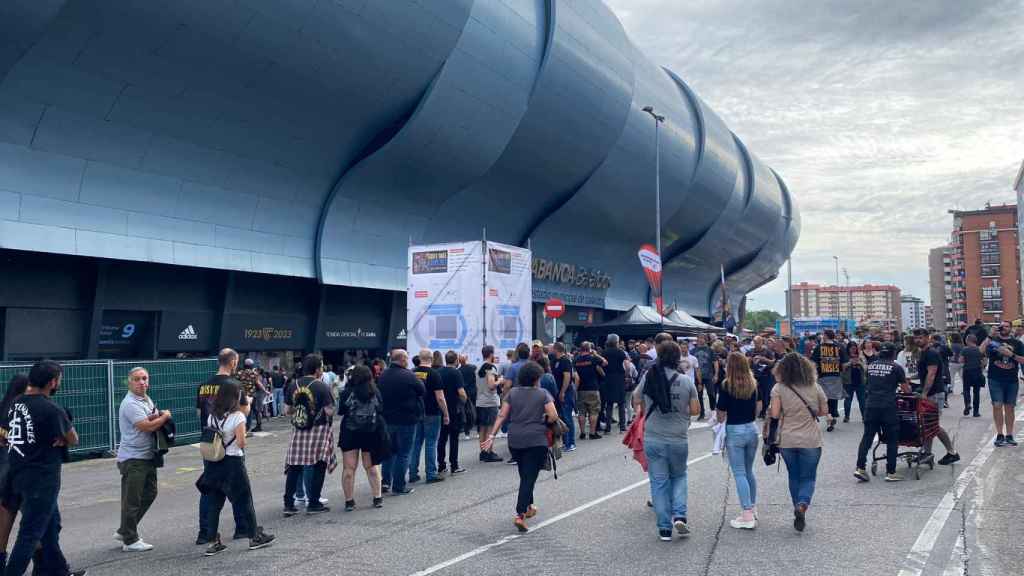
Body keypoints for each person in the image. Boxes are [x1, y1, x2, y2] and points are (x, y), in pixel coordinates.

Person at [3, 361, 87, 576]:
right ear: (52, 382)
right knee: (29, 535)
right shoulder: (51, 408)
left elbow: (6, 434)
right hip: (41, 480)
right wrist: (61, 437)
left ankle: (55, 570)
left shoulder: (16, 403)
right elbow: (73, 438)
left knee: (50, 526)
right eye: (59, 380)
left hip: (17, 473)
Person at [196, 380, 275, 556]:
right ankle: (254, 537)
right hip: (233, 463)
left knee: (215, 503)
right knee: (243, 500)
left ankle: (213, 541)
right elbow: (241, 443)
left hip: (214, 464)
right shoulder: (238, 417)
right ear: (234, 397)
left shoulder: (212, 416)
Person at [632, 341, 700, 541]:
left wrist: (647, 406)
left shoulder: (649, 376)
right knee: (679, 476)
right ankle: (679, 515)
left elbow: (636, 399)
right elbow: (696, 410)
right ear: (678, 358)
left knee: (659, 481)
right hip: (678, 437)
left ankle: (664, 528)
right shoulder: (686, 381)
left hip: (653, 437)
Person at [481, 361, 559, 533]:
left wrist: (492, 436)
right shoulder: (543, 394)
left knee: (525, 474)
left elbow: (502, 415)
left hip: (515, 440)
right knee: (528, 477)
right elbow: (553, 415)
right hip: (536, 440)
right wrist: (543, 420)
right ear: (537, 378)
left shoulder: (512, 393)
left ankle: (529, 507)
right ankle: (520, 514)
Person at [196, 349, 250, 544]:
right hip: (231, 444)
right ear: (233, 361)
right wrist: (249, 404)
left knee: (210, 488)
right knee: (237, 487)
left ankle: (205, 533)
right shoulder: (234, 384)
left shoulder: (203, 386)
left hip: (210, 443)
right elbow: (243, 412)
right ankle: (242, 528)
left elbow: (198, 413)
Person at [770, 353, 827, 532]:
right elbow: (823, 411)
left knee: (793, 476)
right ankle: (802, 505)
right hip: (810, 439)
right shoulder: (814, 386)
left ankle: (797, 506)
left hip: (787, 439)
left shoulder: (778, 388)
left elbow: (775, 414)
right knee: (808, 476)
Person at [115, 367, 171, 552]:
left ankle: (125, 530)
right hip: (133, 458)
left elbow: (148, 419)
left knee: (150, 492)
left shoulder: (145, 399)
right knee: (132, 500)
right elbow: (146, 426)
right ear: (130, 382)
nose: (142, 382)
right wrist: (164, 417)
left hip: (146, 456)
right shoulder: (130, 403)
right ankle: (130, 540)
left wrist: (157, 415)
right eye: (137, 379)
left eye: (144, 378)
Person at [282, 354, 336, 515]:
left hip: (298, 429)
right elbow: (329, 410)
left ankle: (288, 504)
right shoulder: (321, 386)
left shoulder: (294, 385)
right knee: (319, 464)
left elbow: (286, 411)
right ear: (318, 369)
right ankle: (313, 502)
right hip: (318, 430)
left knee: (294, 466)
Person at [717, 353, 761, 530]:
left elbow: (721, 412)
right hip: (751, 428)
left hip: (735, 429)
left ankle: (747, 513)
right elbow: (759, 406)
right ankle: (752, 505)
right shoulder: (753, 382)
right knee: (749, 470)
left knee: (739, 472)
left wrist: (720, 419)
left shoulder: (727, 385)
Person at [338, 365, 389, 511]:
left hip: (349, 432)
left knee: (349, 468)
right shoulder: (375, 391)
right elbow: (380, 409)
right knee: (371, 466)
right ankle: (377, 497)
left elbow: (341, 411)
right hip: (370, 431)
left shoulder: (346, 392)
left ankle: (349, 501)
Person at [854, 344, 908, 483]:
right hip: (888, 407)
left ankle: (860, 468)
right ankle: (891, 472)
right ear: (893, 354)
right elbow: (905, 389)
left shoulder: (871, 366)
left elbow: (867, 383)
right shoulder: (896, 368)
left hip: (871, 405)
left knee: (867, 437)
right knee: (892, 438)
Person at [379, 350, 424, 495]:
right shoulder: (408, 375)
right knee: (403, 453)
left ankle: (385, 482)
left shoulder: (383, 375)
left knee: (389, 452)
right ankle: (398, 486)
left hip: (387, 419)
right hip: (407, 419)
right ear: (403, 360)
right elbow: (422, 390)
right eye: (407, 358)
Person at [913, 329, 960, 463]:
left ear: (928, 338)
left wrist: (924, 394)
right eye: (916, 338)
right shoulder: (924, 353)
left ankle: (952, 452)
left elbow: (931, 374)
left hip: (934, 393)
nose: (917, 340)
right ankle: (927, 453)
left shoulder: (931, 353)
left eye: (920, 338)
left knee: (933, 425)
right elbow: (924, 373)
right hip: (931, 392)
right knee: (928, 424)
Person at [0, 375, 29, 573]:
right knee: (38, 524)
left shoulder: (3, 409)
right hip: (18, 472)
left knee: (4, 525)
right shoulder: (21, 411)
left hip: (4, 474)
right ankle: (49, 566)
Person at [410, 349, 449, 484]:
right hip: (432, 412)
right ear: (431, 359)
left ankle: (413, 473)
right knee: (431, 443)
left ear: (419, 358)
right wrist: (446, 414)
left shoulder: (412, 373)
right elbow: (440, 398)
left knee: (416, 443)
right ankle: (431, 473)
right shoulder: (434, 374)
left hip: (416, 412)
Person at [984, 321, 1023, 446]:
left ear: (1011, 329)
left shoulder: (1017, 343)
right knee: (997, 405)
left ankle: (1009, 435)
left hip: (1011, 379)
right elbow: (980, 350)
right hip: (995, 379)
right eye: (1002, 326)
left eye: (1006, 326)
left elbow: (1023, 360)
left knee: (1009, 408)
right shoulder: (993, 341)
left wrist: (1011, 354)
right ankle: (1000, 434)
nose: (1003, 328)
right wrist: (990, 336)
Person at [437, 351, 467, 475]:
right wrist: (464, 401)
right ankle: (454, 465)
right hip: (454, 409)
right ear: (456, 361)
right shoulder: (456, 372)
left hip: (441, 409)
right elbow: (461, 392)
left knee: (442, 438)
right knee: (454, 438)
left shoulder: (438, 372)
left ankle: (441, 465)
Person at [810, 329, 847, 432]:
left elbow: (814, 363)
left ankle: (829, 417)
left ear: (826, 336)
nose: (822, 336)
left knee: (824, 398)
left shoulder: (819, 347)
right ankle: (833, 417)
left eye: (823, 335)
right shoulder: (840, 347)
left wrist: (814, 374)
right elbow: (844, 364)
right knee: (833, 398)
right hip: (835, 376)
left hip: (823, 376)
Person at [475, 346, 504, 462]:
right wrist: (500, 381)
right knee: (491, 428)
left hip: (480, 401)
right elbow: (491, 385)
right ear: (491, 354)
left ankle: (482, 451)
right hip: (490, 401)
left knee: (482, 428)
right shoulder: (491, 368)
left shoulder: (478, 368)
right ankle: (489, 452)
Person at [574, 342, 605, 440]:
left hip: (580, 389)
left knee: (581, 412)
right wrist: (595, 354)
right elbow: (605, 363)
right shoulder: (593, 358)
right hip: (592, 388)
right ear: (589, 349)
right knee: (593, 411)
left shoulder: (575, 360)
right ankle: (592, 433)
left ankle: (582, 433)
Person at [551, 343, 576, 452]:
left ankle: (570, 442)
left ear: (557, 349)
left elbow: (567, 377)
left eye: (552, 348)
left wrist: (562, 392)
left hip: (566, 393)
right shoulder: (554, 360)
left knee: (567, 417)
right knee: (560, 417)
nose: (551, 350)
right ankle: (564, 441)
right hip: (557, 393)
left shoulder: (565, 360)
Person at [600, 335, 628, 433]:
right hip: (619, 379)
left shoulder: (604, 352)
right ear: (617, 342)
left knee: (609, 404)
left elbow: (600, 366)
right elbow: (626, 364)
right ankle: (622, 427)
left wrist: (603, 374)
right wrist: (627, 375)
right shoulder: (620, 352)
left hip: (608, 379)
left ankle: (608, 428)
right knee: (621, 404)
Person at [746, 337, 775, 419]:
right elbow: (746, 362)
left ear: (762, 342)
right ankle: (754, 411)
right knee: (754, 394)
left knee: (766, 395)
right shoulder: (750, 351)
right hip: (754, 376)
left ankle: (764, 411)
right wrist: (749, 360)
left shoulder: (767, 351)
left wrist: (763, 359)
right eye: (755, 342)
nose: (756, 344)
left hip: (766, 376)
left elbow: (773, 363)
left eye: (758, 342)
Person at [692, 335, 717, 419]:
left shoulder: (710, 350)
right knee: (699, 395)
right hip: (697, 376)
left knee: (711, 394)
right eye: (699, 338)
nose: (700, 339)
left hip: (708, 375)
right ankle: (701, 413)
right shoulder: (693, 350)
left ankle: (713, 411)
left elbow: (715, 362)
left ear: (705, 340)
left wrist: (716, 374)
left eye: (702, 338)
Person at [960, 334, 985, 418]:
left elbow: (961, 360)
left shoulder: (965, 349)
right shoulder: (980, 349)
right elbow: (984, 361)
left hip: (967, 371)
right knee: (976, 392)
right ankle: (976, 412)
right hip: (977, 371)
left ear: (968, 341)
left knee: (966, 389)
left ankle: (967, 404)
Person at [842, 341, 866, 423]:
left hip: (860, 381)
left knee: (862, 400)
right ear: (848, 349)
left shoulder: (861, 356)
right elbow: (842, 368)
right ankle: (847, 416)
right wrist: (850, 363)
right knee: (848, 400)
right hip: (848, 382)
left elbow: (866, 368)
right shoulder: (845, 356)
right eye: (851, 349)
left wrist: (860, 363)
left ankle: (864, 417)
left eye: (854, 348)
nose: (853, 350)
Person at [235, 359, 260, 434]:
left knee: (243, 411)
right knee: (254, 410)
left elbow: (236, 384)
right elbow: (258, 384)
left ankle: (244, 428)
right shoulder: (255, 374)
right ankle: (256, 425)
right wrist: (265, 390)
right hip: (252, 395)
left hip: (242, 395)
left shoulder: (239, 373)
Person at [459, 355, 477, 440]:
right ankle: (478, 431)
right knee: (476, 410)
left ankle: (467, 433)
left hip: (464, 394)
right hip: (473, 392)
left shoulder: (458, 371)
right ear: (466, 359)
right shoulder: (473, 368)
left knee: (466, 412)